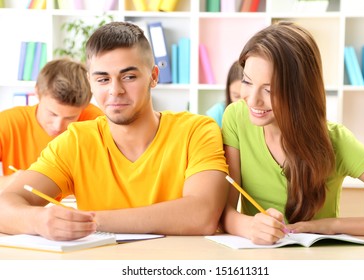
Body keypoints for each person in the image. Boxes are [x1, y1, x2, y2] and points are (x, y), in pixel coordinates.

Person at [0, 22, 229, 241]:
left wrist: (91, 220)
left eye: (129, 77)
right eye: (103, 79)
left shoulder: (197, 131)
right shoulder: (76, 141)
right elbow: (5, 206)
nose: (115, 90)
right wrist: (38, 220)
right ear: (91, 83)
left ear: (154, 76)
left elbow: (202, 215)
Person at [221, 21, 364, 245]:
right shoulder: (236, 118)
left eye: (269, 90)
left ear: (300, 92)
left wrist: (332, 225)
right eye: (247, 82)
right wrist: (248, 226)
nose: (252, 100)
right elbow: (224, 212)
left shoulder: (336, 141)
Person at [0, 58, 103, 191]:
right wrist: (12, 180)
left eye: (70, 117)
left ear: (86, 105)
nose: (58, 126)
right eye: (52, 114)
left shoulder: (96, 122)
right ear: (37, 92)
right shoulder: (8, 122)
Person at [206, 61, 243, 127]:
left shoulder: (258, 116)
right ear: (228, 92)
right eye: (236, 96)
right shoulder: (217, 113)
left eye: (246, 97)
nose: (241, 102)